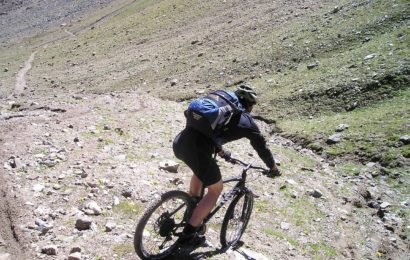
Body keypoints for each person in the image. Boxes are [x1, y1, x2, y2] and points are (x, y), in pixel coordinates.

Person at [172, 84, 280, 246]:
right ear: (248, 105)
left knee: (201, 172)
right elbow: (261, 145)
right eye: (252, 106)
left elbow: (211, 133)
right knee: (216, 189)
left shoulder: (221, 105)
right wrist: (272, 167)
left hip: (180, 142)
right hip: (199, 150)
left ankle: (192, 206)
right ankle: (188, 235)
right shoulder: (246, 121)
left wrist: (221, 151)